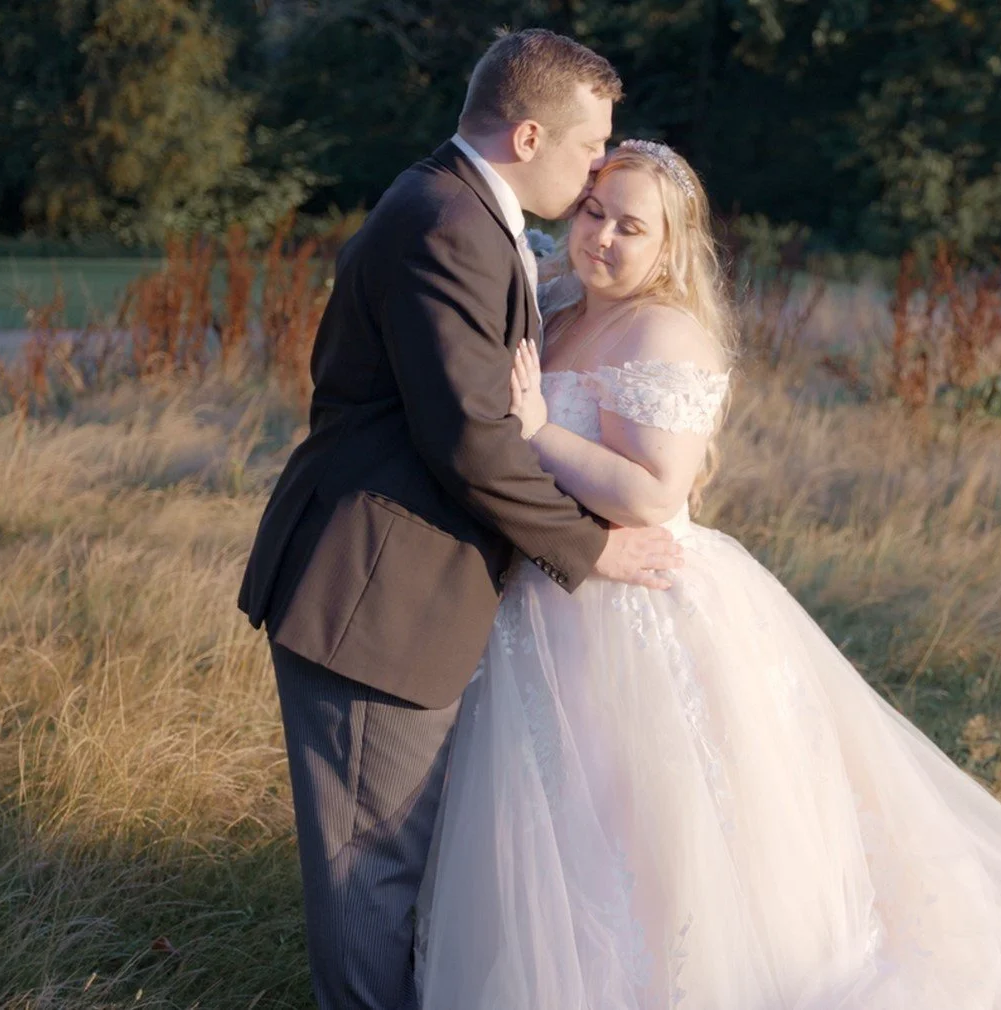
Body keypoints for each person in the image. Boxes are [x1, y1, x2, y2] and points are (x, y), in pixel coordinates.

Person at [413, 138, 1001, 1009]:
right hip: (551, 601)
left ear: (671, 242)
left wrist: (538, 431)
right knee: (567, 825)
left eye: (630, 227)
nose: (600, 237)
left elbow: (652, 495)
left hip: (640, 604)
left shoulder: (666, 330)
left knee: (657, 827)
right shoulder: (562, 307)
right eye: (595, 212)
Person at [234, 30, 681, 1010]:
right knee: (370, 876)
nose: (595, 166)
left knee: (403, 867)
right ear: (528, 134)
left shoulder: (461, 208)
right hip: (372, 594)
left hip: (410, 586)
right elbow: (473, 440)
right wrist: (591, 547)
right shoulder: (448, 225)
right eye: (585, 148)